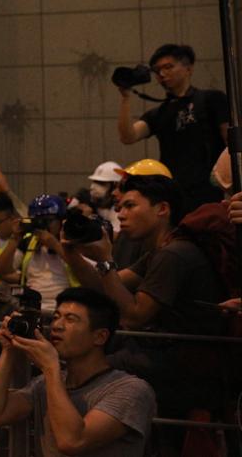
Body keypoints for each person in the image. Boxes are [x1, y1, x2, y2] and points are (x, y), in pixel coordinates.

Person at [60, 174, 229, 454]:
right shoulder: (159, 252)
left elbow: (136, 315)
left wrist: (104, 260)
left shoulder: (174, 254)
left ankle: (81, 439)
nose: (121, 214)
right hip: (168, 358)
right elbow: (102, 286)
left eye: (130, 206)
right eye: (119, 208)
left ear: (162, 209)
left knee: (87, 368)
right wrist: (70, 252)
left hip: (185, 366)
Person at [0, 288, 156, 457]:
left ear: (100, 336)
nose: (57, 326)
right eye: (56, 317)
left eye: (70, 319)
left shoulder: (131, 390)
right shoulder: (45, 383)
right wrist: (10, 350)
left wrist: (50, 368)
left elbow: (72, 441)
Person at [117, 43, 227, 210]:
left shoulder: (212, 99)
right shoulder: (159, 113)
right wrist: (126, 97)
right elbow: (128, 136)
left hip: (210, 192)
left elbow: (231, 143)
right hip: (173, 195)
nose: (162, 74)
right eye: (157, 70)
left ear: (188, 68)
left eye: (168, 67)